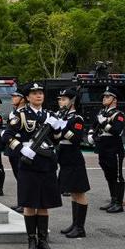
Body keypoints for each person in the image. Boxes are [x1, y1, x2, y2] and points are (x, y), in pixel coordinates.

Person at [2, 82, 62, 249]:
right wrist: (21, 148)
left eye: (41, 93)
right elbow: (7, 136)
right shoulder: (20, 115)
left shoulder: (50, 114)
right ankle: (31, 240)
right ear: (27, 97)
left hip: (47, 164)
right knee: (29, 204)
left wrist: (57, 127)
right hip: (29, 164)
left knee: (44, 204)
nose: (38, 96)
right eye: (34, 93)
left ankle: (43, 241)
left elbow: (57, 139)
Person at [54, 87, 90, 238]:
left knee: (79, 192)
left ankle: (80, 228)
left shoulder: (77, 119)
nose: (61, 101)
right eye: (60, 99)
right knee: (73, 193)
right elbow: (56, 138)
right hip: (64, 156)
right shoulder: (62, 117)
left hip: (73, 157)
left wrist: (63, 129)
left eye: (64, 99)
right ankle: (75, 224)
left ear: (72, 102)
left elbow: (76, 139)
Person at [88, 86, 125, 214]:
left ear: (115, 100)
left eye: (108, 96)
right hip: (102, 146)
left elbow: (117, 130)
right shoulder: (102, 113)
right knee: (108, 175)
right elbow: (93, 126)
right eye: (104, 96)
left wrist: (104, 123)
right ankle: (113, 199)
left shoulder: (119, 114)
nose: (104, 98)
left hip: (114, 147)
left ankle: (118, 203)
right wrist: (91, 134)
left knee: (117, 176)